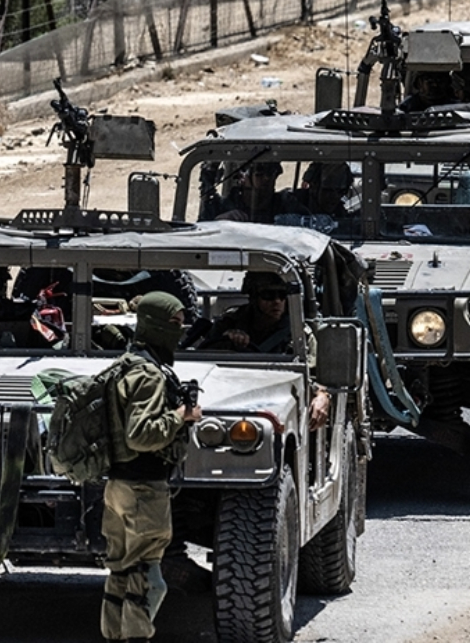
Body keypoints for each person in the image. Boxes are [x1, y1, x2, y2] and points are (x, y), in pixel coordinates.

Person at [101, 291, 201, 643]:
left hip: (118, 487)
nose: (181, 330)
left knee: (120, 572)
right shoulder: (148, 374)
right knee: (148, 581)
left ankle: (115, 636)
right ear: (155, 324)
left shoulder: (125, 364)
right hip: (144, 488)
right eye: (174, 323)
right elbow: (141, 435)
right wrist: (181, 415)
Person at [200, 273, 331, 428]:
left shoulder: (298, 333)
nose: (277, 301)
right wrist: (227, 341)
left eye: (282, 295)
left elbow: (315, 376)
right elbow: (202, 363)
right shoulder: (229, 323)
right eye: (268, 295)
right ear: (254, 298)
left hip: (278, 399)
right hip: (228, 393)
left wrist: (322, 395)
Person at [213, 161, 291, 223]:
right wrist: (220, 223)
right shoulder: (220, 207)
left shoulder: (287, 205)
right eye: (259, 174)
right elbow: (206, 229)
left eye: (271, 172)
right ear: (242, 177)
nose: (266, 178)